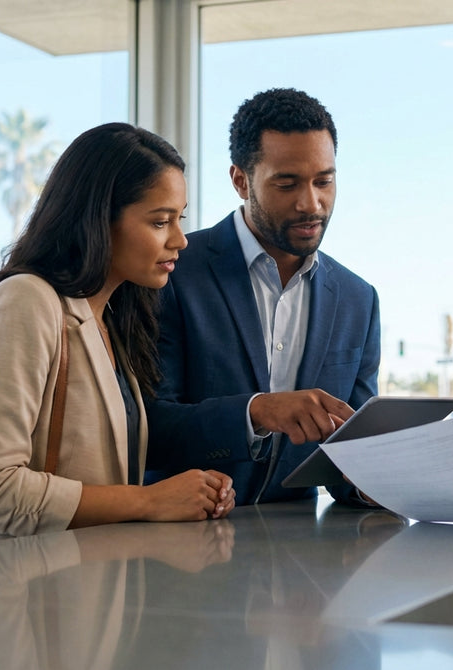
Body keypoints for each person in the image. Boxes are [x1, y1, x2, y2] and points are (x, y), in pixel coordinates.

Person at [0, 122, 234, 549]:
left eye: (178, 219)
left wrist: (191, 494)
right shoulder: (24, 301)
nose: (180, 239)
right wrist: (147, 501)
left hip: (73, 593)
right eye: (160, 221)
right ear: (99, 219)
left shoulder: (109, 320)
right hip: (6, 600)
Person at [144, 88, 381, 506]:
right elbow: (144, 428)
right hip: (183, 545)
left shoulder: (357, 299)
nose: (312, 204)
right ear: (241, 181)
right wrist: (257, 412)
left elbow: (348, 463)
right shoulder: (172, 272)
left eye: (324, 181)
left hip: (306, 553)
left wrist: (378, 480)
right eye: (287, 184)